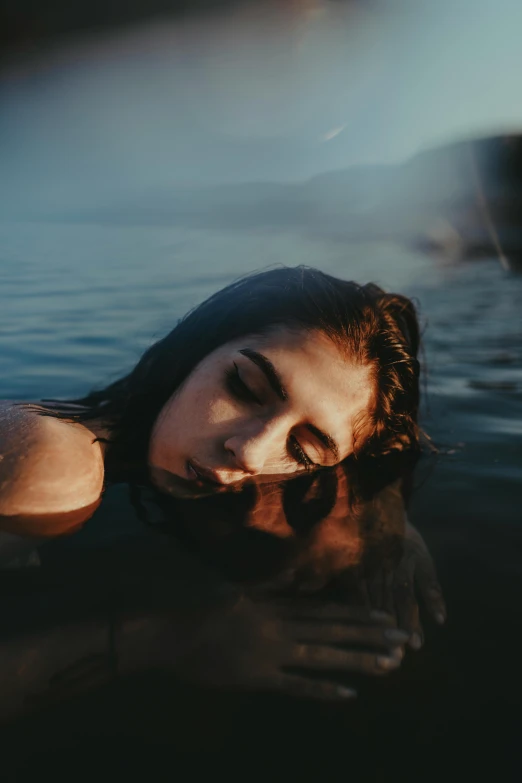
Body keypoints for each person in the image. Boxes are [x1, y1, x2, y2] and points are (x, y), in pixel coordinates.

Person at [0, 265, 421, 520]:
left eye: (302, 451)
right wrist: (149, 640)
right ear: (193, 352)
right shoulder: (53, 463)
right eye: (244, 387)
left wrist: (385, 516)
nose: (251, 454)